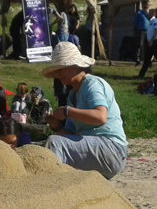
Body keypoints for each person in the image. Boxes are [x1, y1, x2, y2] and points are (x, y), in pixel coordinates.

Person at [42, 42, 127, 179]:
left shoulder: (92, 84)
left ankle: (51, 186)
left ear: (75, 66)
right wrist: (57, 126)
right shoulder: (72, 95)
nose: (58, 74)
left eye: (61, 69)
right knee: (54, 143)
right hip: (96, 149)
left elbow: (101, 117)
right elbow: (71, 136)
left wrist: (67, 112)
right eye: (56, 71)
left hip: (112, 148)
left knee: (55, 144)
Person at [138, 9, 157, 78]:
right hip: (150, 42)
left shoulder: (155, 21)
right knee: (147, 58)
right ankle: (141, 75)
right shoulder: (150, 22)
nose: (148, 14)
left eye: (149, 13)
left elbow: (156, 31)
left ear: (153, 14)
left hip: (155, 42)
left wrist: (152, 40)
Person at [133, 1, 149, 66]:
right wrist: (136, 31)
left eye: (147, 7)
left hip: (148, 31)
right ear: (142, 6)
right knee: (140, 44)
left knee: (146, 45)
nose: (146, 8)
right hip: (141, 31)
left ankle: (144, 58)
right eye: (145, 7)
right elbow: (135, 23)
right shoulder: (139, 13)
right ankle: (137, 58)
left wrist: (148, 14)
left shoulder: (148, 14)